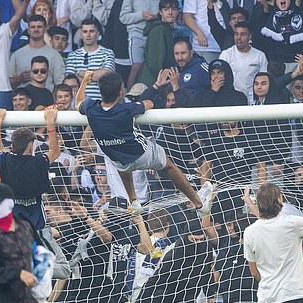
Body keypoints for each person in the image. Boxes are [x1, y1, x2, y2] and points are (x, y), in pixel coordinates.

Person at [77, 69, 212, 215]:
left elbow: (78, 102)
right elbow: (148, 104)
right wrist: (145, 102)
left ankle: (133, 200)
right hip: (141, 154)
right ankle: (199, 204)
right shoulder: (126, 109)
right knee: (169, 166)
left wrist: (85, 80)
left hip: (119, 160)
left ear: (100, 92)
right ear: (121, 93)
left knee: (120, 159)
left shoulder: (91, 108)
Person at [65, 18, 116, 101]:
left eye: (91, 31)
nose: (88, 35)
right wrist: (96, 76)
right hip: (78, 104)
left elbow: (106, 76)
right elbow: (70, 81)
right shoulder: (72, 55)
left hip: (101, 102)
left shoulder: (107, 53)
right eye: (85, 32)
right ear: (81, 35)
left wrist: (80, 73)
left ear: (98, 33)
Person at [218, 21, 267, 101]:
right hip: (231, 99)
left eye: (243, 34)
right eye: (236, 34)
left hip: (252, 100)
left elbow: (264, 79)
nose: (238, 38)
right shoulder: (226, 55)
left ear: (250, 36)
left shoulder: (260, 55)